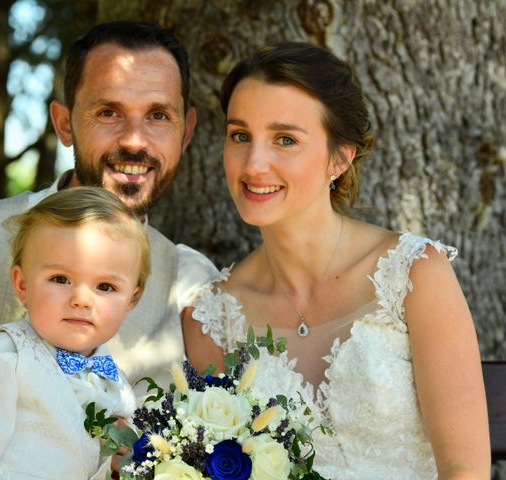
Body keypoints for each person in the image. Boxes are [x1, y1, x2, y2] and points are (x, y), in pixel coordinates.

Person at [0, 21, 217, 479]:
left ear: (186, 131)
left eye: (158, 115)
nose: (135, 139)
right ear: (64, 123)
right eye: (108, 112)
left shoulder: (189, 281)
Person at [182, 42, 490, 479]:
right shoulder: (210, 317)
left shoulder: (415, 274)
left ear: (340, 158)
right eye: (240, 135)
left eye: (285, 139)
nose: (254, 163)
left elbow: (465, 470)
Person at [0, 186, 144, 480]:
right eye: (60, 279)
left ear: (131, 300)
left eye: (105, 287)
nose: (81, 299)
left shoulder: (115, 381)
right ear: (22, 284)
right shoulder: (4, 357)